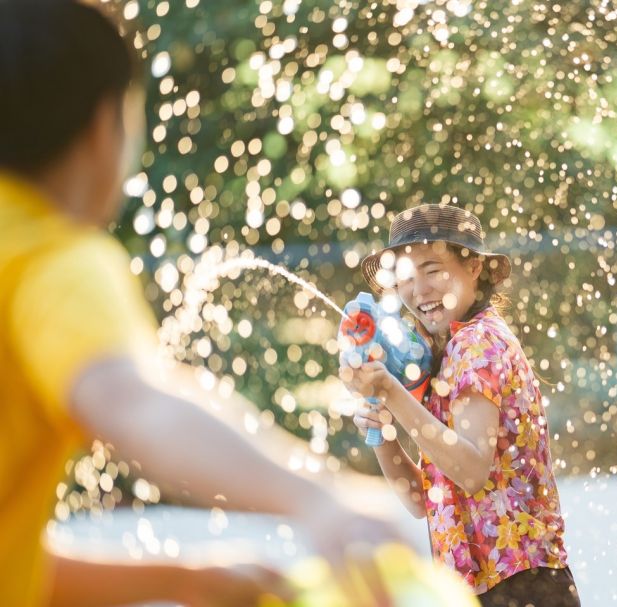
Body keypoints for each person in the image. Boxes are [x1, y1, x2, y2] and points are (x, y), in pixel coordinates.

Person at [0, 1, 425, 605]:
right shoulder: (50, 259)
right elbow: (135, 402)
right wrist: (319, 500)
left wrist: (184, 579)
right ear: (105, 127)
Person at [341, 204, 579, 607]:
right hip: (479, 589)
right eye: (405, 277)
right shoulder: (449, 350)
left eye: (432, 270)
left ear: (474, 268)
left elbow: (470, 471)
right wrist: (381, 429)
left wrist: (391, 393)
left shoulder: (478, 343)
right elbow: (422, 501)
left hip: (519, 586)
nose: (419, 290)